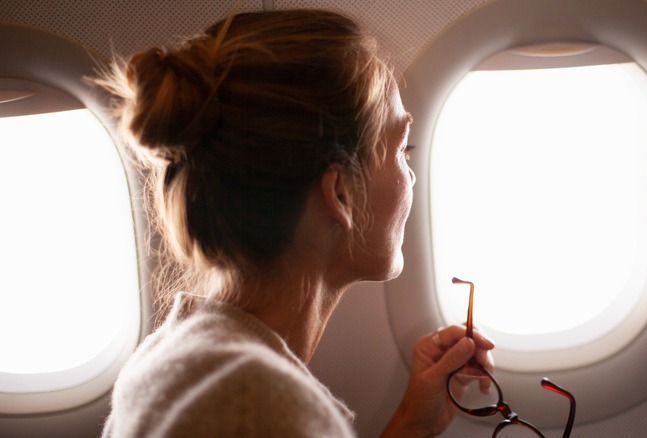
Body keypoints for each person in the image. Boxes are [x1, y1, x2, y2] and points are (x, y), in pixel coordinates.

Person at [97, 9, 494, 437]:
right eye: (402, 149)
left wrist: (410, 425)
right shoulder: (261, 407)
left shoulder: (179, 357)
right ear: (340, 193)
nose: (411, 174)